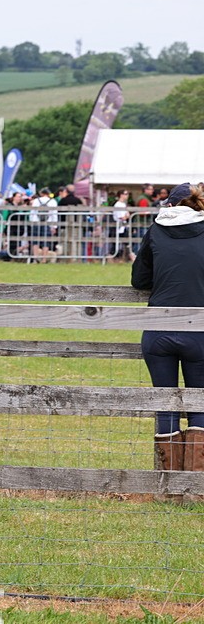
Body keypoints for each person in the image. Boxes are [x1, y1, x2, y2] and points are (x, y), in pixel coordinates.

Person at [131, 182, 204, 471]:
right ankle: (196, 484)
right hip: (199, 330)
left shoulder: (156, 230)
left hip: (159, 329)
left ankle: (168, 483)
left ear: (170, 205)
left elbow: (139, 280)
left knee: (166, 404)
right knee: (200, 404)